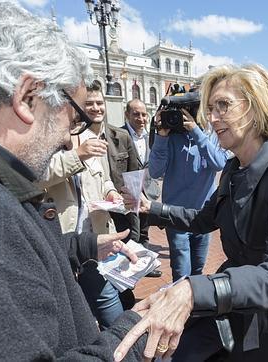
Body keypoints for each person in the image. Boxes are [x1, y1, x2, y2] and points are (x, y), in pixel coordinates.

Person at [0, 1, 148, 359]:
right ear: (27, 97)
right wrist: (131, 336)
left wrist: (78, 247)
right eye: (74, 117)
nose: (69, 138)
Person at [114, 64, 268, 361]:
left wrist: (194, 290)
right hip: (237, 303)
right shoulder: (233, 170)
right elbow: (202, 219)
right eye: (210, 108)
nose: (212, 118)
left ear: (255, 107)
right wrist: (152, 209)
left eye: (223, 105)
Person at [39, 83, 136, 328]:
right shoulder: (42, 140)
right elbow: (39, 176)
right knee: (72, 314)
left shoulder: (89, 137)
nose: (83, 112)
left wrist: (112, 192)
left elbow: (102, 178)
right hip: (63, 240)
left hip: (96, 239)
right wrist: (78, 155)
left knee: (109, 306)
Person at [150, 102, 228, 282]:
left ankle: (196, 306)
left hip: (203, 215)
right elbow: (155, 172)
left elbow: (219, 163)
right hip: (175, 217)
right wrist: (161, 136)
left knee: (198, 269)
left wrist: (195, 131)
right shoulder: (169, 136)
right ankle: (182, 307)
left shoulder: (212, 136)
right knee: (181, 272)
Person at [123, 98, 163, 277]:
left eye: (144, 114)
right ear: (127, 115)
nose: (141, 118)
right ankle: (129, 267)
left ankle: (146, 267)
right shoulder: (120, 134)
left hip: (147, 190)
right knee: (133, 231)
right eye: (136, 114)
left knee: (145, 231)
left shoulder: (152, 137)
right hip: (129, 191)